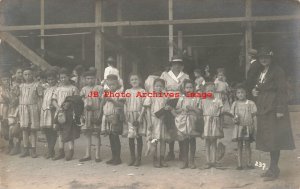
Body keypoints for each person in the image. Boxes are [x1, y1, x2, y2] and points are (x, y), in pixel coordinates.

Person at [252, 46, 295, 181]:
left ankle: (274, 170)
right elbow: (260, 86)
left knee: (274, 139)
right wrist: (255, 91)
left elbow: (282, 91)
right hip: (264, 108)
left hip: (274, 109)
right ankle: (271, 168)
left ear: (271, 58)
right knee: (269, 139)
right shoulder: (262, 71)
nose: (263, 59)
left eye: (266, 57)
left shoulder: (277, 71)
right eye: (261, 57)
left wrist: (280, 110)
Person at [160, 55, 189, 161]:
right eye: (174, 64)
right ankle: (171, 152)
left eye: (179, 64)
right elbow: (161, 87)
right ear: (171, 65)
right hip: (169, 102)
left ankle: (182, 152)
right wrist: (166, 97)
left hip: (181, 102)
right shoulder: (165, 75)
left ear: (181, 66)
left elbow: (188, 89)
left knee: (180, 126)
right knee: (170, 127)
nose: (176, 66)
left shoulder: (185, 76)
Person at [52, 68, 79, 161]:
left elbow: (77, 100)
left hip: (69, 113)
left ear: (68, 77)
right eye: (61, 78)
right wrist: (58, 107)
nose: (63, 79)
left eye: (64, 77)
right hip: (59, 112)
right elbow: (54, 100)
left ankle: (71, 151)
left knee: (69, 131)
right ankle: (61, 151)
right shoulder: (58, 89)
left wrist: (69, 105)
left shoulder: (73, 88)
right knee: (60, 131)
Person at [173, 79, 202, 169]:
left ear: (193, 88)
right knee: (184, 141)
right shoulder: (182, 98)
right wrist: (181, 109)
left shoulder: (197, 97)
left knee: (192, 140)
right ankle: (185, 161)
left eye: (190, 87)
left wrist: (192, 108)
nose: (189, 89)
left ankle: (192, 161)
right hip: (184, 121)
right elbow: (177, 109)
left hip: (193, 120)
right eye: (187, 88)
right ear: (184, 89)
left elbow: (199, 111)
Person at [143, 78, 171, 168]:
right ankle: (155, 159)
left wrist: (167, 109)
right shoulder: (150, 96)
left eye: (160, 86)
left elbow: (167, 106)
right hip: (154, 120)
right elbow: (147, 110)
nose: (158, 88)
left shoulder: (165, 96)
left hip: (163, 120)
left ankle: (162, 159)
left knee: (163, 140)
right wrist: (149, 122)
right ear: (153, 87)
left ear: (163, 87)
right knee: (154, 140)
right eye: (156, 86)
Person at [17, 68, 43, 158]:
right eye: (25, 74)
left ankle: (33, 149)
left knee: (33, 130)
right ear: (23, 76)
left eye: (29, 74)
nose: (27, 76)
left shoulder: (37, 85)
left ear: (33, 75)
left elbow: (40, 98)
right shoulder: (20, 86)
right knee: (24, 129)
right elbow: (16, 96)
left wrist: (40, 109)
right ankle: (25, 149)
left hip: (33, 108)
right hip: (23, 108)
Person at [122, 74, 147, 166]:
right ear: (129, 82)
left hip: (138, 115)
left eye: (136, 79)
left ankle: (139, 159)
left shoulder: (142, 91)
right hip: (129, 115)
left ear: (140, 80)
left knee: (138, 137)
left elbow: (144, 105)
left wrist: (140, 117)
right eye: (132, 80)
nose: (134, 81)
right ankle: (132, 158)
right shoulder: (127, 91)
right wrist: (126, 115)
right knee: (131, 137)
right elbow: (125, 104)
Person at [231, 84, 257, 170]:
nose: (240, 94)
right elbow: (232, 116)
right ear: (236, 94)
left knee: (248, 145)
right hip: (239, 127)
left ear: (246, 93)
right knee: (239, 145)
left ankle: (249, 163)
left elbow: (254, 116)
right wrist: (234, 119)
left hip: (247, 127)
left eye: (242, 92)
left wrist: (254, 126)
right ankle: (239, 164)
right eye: (238, 93)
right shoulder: (235, 104)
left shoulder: (250, 103)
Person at [79, 70, 103, 163]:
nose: (90, 80)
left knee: (96, 134)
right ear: (85, 79)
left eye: (92, 78)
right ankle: (87, 154)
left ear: (95, 79)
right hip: (86, 113)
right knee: (87, 134)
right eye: (88, 78)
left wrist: (100, 112)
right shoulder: (84, 89)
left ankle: (97, 155)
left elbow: (101, 101)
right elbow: (81, 101)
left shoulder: (99, 88)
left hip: (96, 112)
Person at [101, 74, 124, 165]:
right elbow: (102, 104)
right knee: (111, 137)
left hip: (115, 116)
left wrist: (112, 100)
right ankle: (113, 156)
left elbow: (122, 105)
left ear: (117, 84)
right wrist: (104, 99)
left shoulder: (120, 92)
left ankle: (118, 158)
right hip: (107, 116)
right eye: (109, 85)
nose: (111, 87)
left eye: (113, 85)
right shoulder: (106, 92)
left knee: (115, 137)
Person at [200, 82, 223, 169]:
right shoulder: (203, 100)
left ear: (215, 91)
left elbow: (221, 114)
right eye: (208, 90)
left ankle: (214, 161)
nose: (210, 92)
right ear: (205, 91)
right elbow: (200, 113)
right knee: (207, 142)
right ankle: (207, 161)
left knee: (214, 142)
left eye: (212, 90)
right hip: (206, 122)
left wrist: (220, 125)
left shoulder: (218, 100)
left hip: (215, 122)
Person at [40, 70, 58, 159]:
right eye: (49, 79)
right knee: (47, 131)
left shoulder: (57, 88)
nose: (51, 81)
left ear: (56, 79)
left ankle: (50, 150)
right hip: (45, 111)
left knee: (53, 131)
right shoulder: (46, 89)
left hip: (53, 111)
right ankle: (51, 150)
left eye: (52, 79)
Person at [0, 72, 11, 152]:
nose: (6, 81)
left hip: (8, 108)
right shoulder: (0, 89)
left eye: (7, 80)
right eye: (4, 80)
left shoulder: (10, 89)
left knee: (8, 126)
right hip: (1, 107)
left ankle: (10, 144)